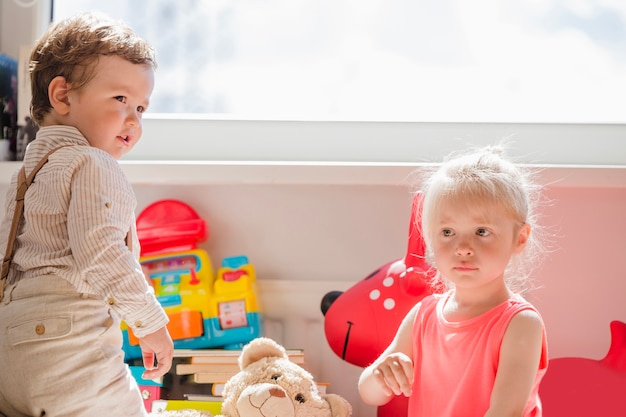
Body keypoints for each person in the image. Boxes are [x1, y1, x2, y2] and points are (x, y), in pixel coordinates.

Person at [0, 12, 173, 417]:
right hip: (64, 350)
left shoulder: (26, 176)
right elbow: (101, 252)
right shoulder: (93, 163)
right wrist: (150, 323)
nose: (133, 119)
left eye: (142, 108)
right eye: (120, 99)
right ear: (62, 96)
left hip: (10, 356)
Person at [358, 145, 549, 417]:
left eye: (482, 231)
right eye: (448, 232)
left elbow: (505, 411)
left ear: (519, 238)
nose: (462, 247)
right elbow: (369, 393)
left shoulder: (520, 323)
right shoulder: (423, 315)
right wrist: (382, 374)